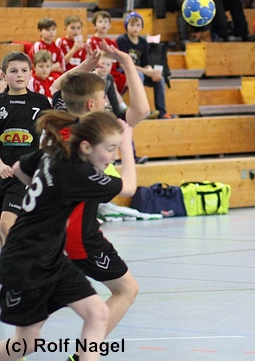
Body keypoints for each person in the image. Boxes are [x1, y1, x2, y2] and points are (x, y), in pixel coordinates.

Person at [0, 109, 135, 361]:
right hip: (26, 262)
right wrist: (127, 143)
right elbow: (129, 187)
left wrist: (46, 200)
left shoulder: (55, 152)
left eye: (116, 148)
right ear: (86, 146)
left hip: (52, 258)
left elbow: (19, 168)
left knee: (97, 313)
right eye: (110, 148)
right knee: (26, 344)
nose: (113, 156)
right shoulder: (77, 173)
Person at [52, 43, 149, 360]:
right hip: (78, 235)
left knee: (35, 316)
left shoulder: (57, 121)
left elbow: (58, 88)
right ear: (93, 103)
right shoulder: (92, 138)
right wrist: (128, 64)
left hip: (50, 229)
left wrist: (83, 67)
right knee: (126, 290)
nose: (108, 103)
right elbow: (140, 113)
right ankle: (85, 353)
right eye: (105, 99)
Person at [0, 51, 51, 246]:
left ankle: (18, 263)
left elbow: (54, 133)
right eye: (13, 71)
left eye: (23, 70)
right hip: (1, 171)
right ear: (3, 75)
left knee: (7, 224)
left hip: (22, 175)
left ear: (31, 73)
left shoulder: (40, 102)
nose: (19, 75)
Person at [116, 11, 172, 119]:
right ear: (126, 26)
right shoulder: (122, 40)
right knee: (139, 75)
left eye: (138, 25)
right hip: (124, 72)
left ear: (142, 27)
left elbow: (146, 63)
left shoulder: (143, 42)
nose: (135, 28)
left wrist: (152, 72)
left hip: (139, 71)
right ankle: (139, 110)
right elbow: (124, 64)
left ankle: (162, 112)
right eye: (132, 25)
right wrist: (147, 72)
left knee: (160, 79)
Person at [87, 11, 126, 93]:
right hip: (98, 72)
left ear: (109, 25)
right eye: (100, 21)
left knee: (129, 79)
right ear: (94, 26)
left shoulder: (112, 42)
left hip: (113, 72)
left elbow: (118, 62)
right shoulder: (90, 42)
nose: (103, 24)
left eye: (106, 21)